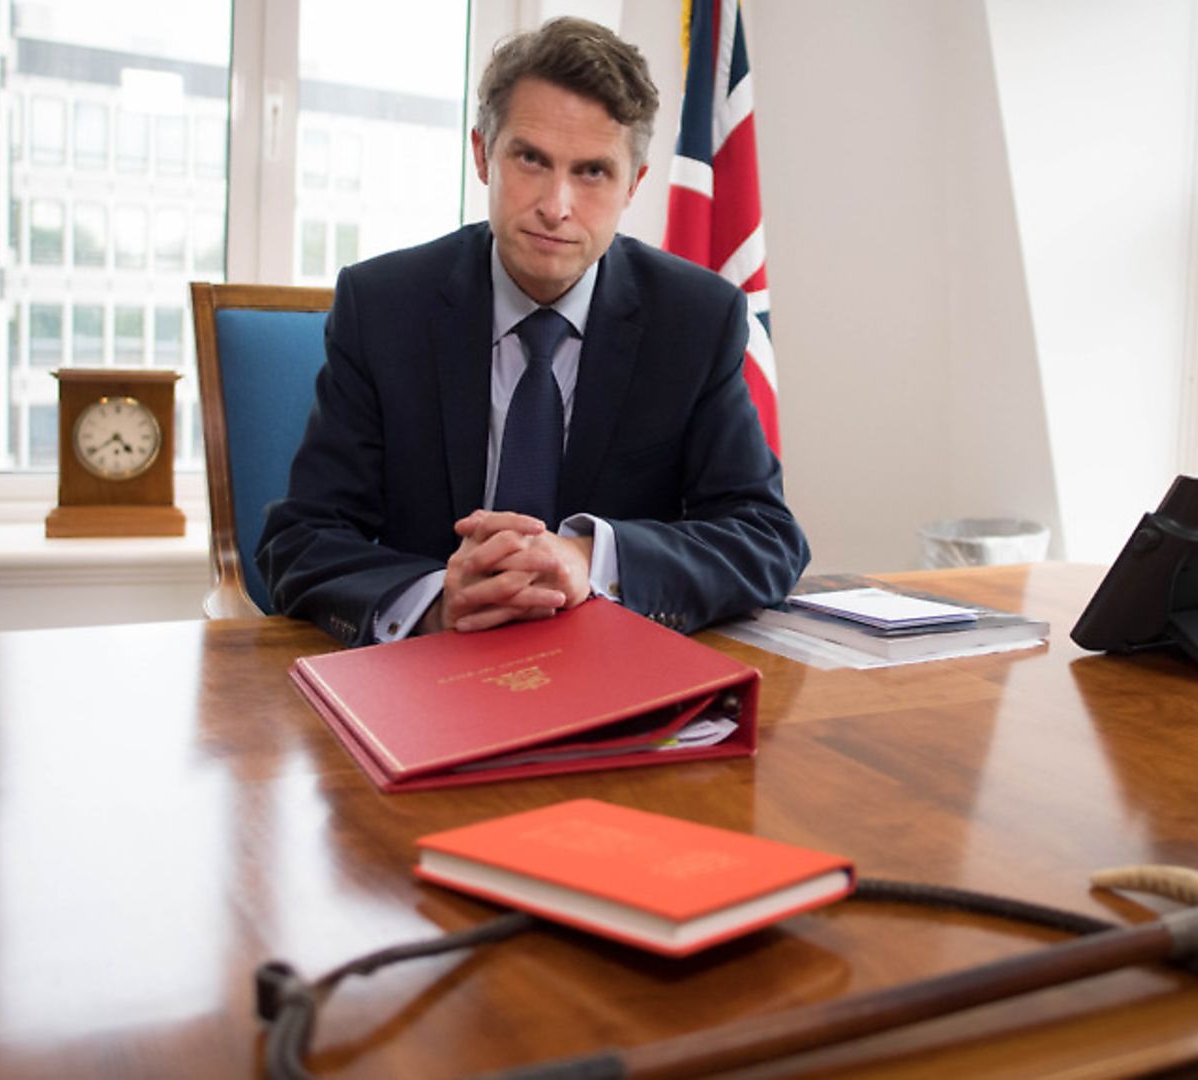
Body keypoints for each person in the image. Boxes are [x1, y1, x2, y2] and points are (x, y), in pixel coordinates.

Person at [257, 16, 808, 647]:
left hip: (608, 673)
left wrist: (589, 557)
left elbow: (765, 536)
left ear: (634, 185)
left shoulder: (696, 318)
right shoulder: (383, 306)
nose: (557, 205)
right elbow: (300, 540)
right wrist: (438, 599)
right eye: (531, 159)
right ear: (482, 154)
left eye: (593, 171)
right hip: (431, 676)